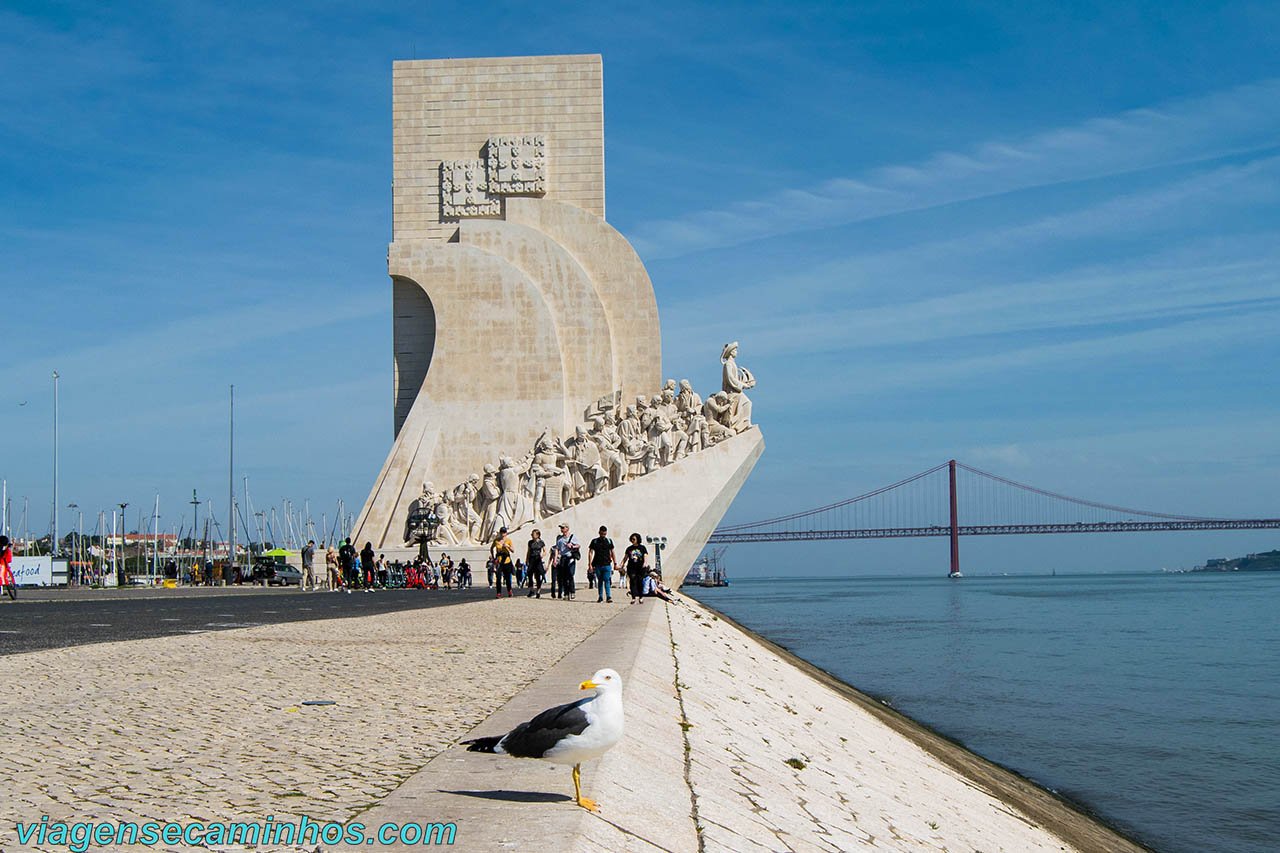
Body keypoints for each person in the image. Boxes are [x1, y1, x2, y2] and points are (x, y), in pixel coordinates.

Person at [552, 523, 580, 601]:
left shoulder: (572, 537)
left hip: (570, 557)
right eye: (561, 528)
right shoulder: (559, 538)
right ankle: (566, 593)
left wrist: (572, 546)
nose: (561, 529)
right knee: (564, 577)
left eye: (563, 528)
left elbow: (578, 545)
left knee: (570, 574)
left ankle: (572, 591)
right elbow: (557, 549)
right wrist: (555, 560)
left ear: (567, 528)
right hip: (563, 558)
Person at [588, 526, 616, 603]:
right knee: (600, 580)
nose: (603, 535)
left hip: (607, 563)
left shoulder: (609, 541)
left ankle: (608, 596)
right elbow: (590, 552)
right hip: (597, 564)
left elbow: (612, 552)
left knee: (607, 580)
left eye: (604, 533)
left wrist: (615, 563)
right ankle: (600, 596)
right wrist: (590, 564)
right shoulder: (594, 541)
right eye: (602, 533)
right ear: (599, 532)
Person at [623, 533, 648, 604]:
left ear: (637, 539)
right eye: (631, 539)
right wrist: (621, 564)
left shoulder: (642, 548)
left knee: (640, 582)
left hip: (640, 568)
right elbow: (625, 558)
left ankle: (641, 597)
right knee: (632, 582)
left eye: (634, 539)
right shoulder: (629, 548)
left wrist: (645, 563)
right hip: (631, 567)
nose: (632, 540)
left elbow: (645, 555)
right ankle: (633, 598)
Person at [491, 526, 516, 598]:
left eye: (504, 532)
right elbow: (491, 548)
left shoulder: (508, 540)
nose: (503, 534)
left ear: (506, 533)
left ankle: (509, 590)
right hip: (499, 560)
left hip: (507, 560)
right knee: (498, 578)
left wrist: (507, 546)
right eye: (501, 532)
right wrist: (493, 558)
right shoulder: (496, 540)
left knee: (508, 577)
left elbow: (513, 550)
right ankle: (498, 593)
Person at [525, 529, 546, 598]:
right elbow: (528, 551)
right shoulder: (530, 542)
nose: (532, 535)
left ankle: (538, 591)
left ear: (537, 535)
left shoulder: (541, 542)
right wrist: (527, 559)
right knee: (530, 574)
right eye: (531, 534)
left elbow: (545, 551)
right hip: (531, 559)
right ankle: (531, 590)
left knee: (538, 576)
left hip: (538, 559)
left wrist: (542, 556)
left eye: (533, 534)